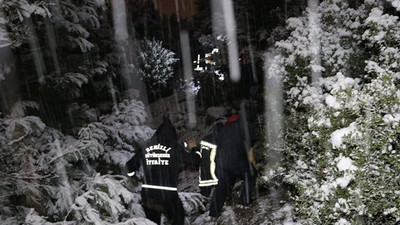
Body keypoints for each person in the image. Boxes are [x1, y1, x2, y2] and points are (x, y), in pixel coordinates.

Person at [125, 117, 200, 225]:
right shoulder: (174, 147)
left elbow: (129, 166)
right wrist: (194, 149)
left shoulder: (146, 146)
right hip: (167, 193)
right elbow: (195, 160)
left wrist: (133, 176)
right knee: (178, 218)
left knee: (153, 222)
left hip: (148, 193)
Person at [198, 101, 257, 217]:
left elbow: (218, 143)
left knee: (222, 187)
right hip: (238, 160)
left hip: (223, 162)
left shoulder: (225, 128)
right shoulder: (245, 124)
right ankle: (245, 201)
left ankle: (213, 212)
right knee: (251, 175)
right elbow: (251, 140)